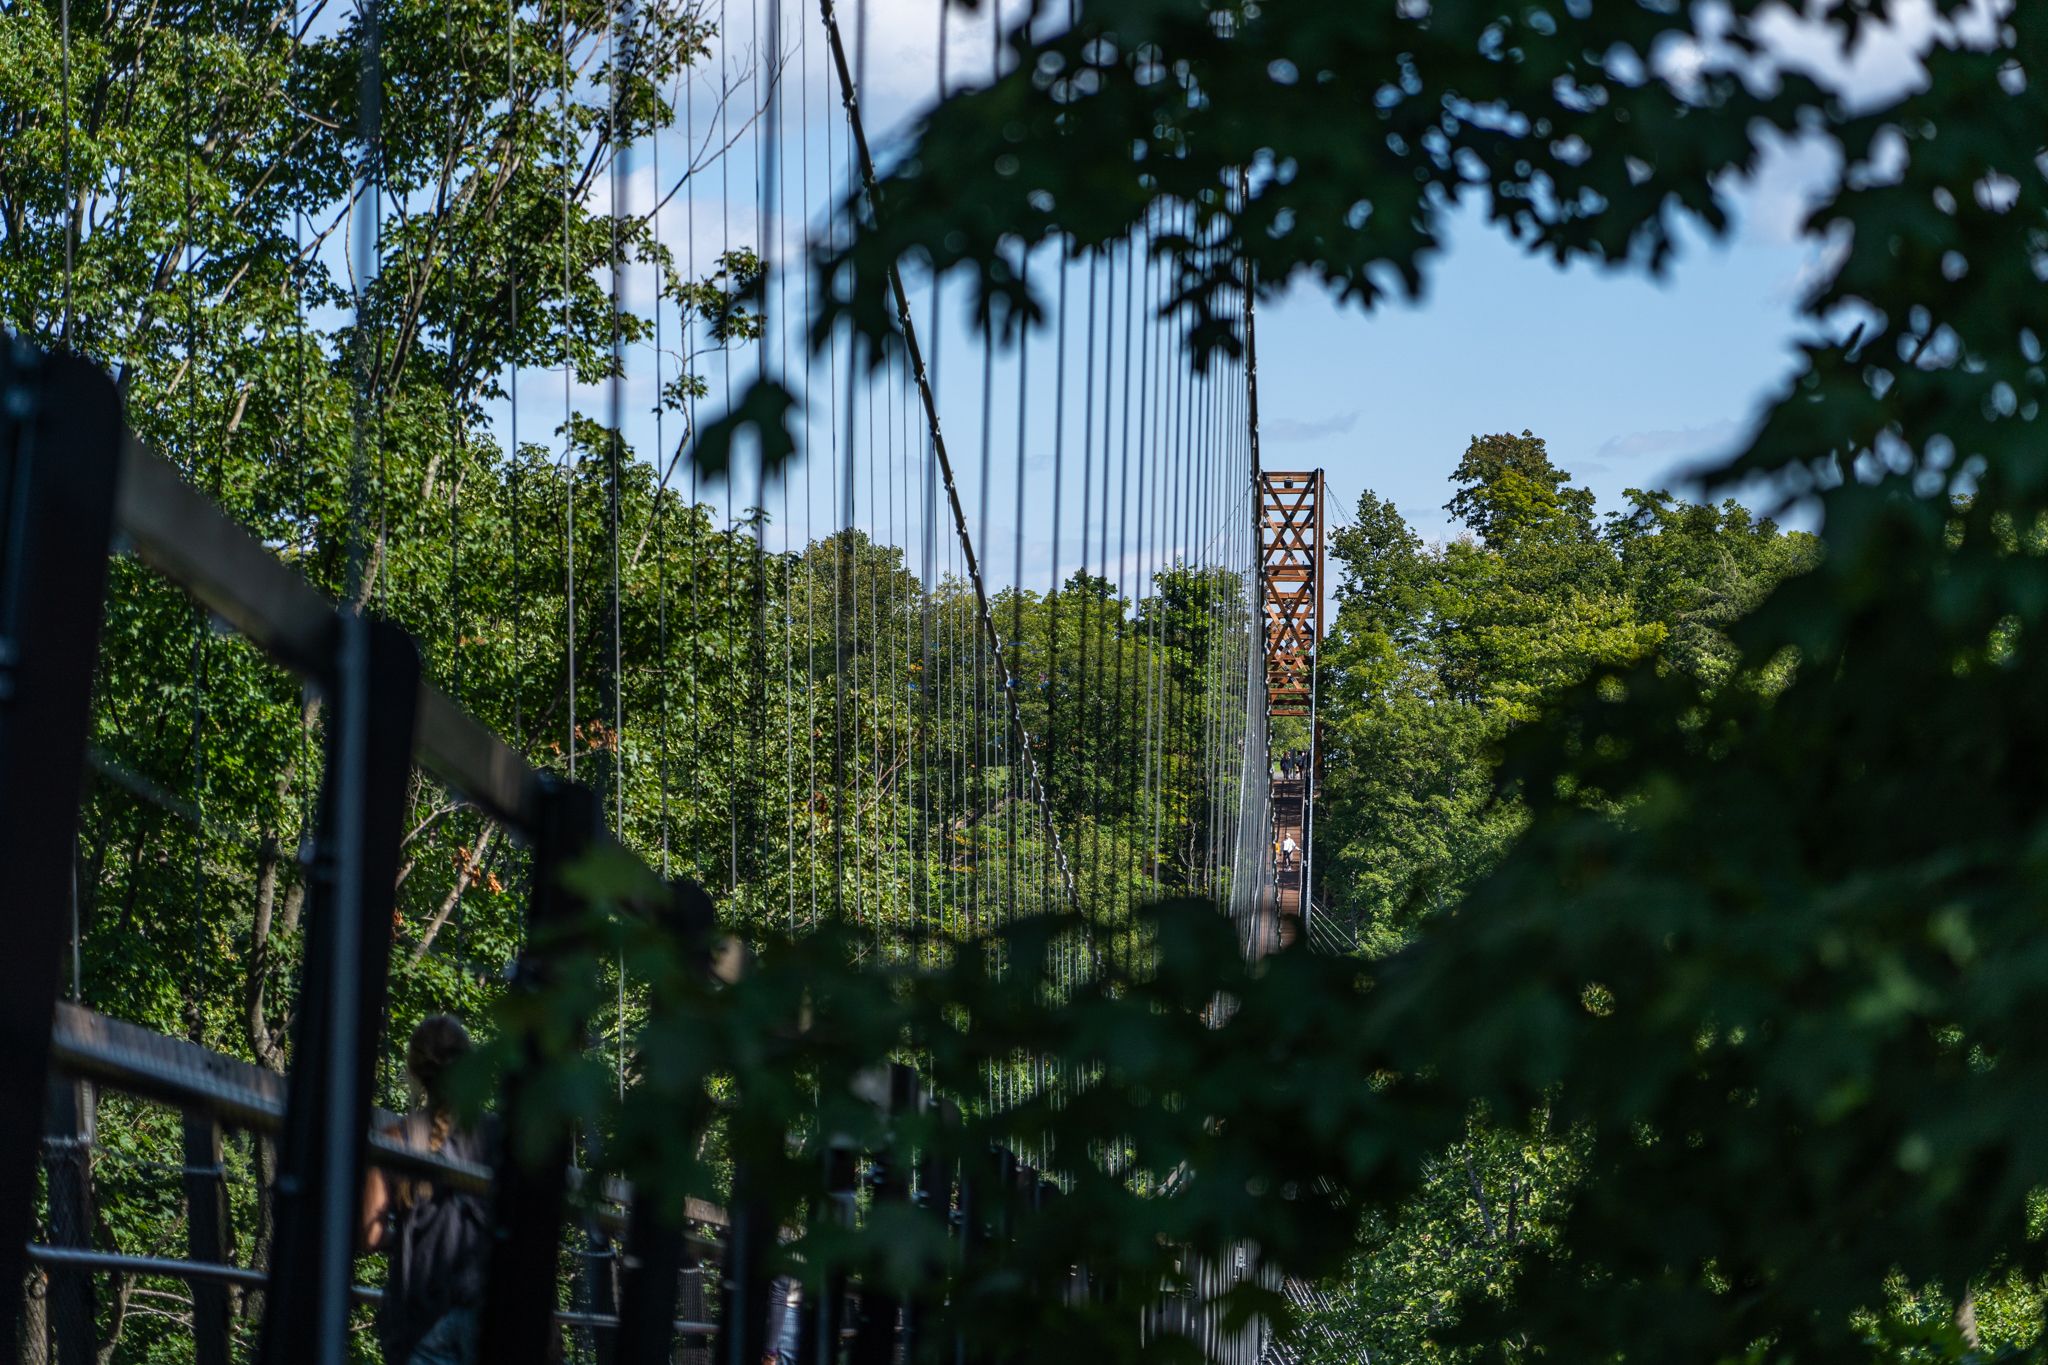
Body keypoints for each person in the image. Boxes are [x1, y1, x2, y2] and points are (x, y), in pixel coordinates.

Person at [362, 1015, 496, 1365]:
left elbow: (370, 1235)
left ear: (415, 1072)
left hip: (417, 1315)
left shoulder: (394, 1139)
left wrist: (411, 1235)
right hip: (486, 1307)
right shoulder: (498, 1137)